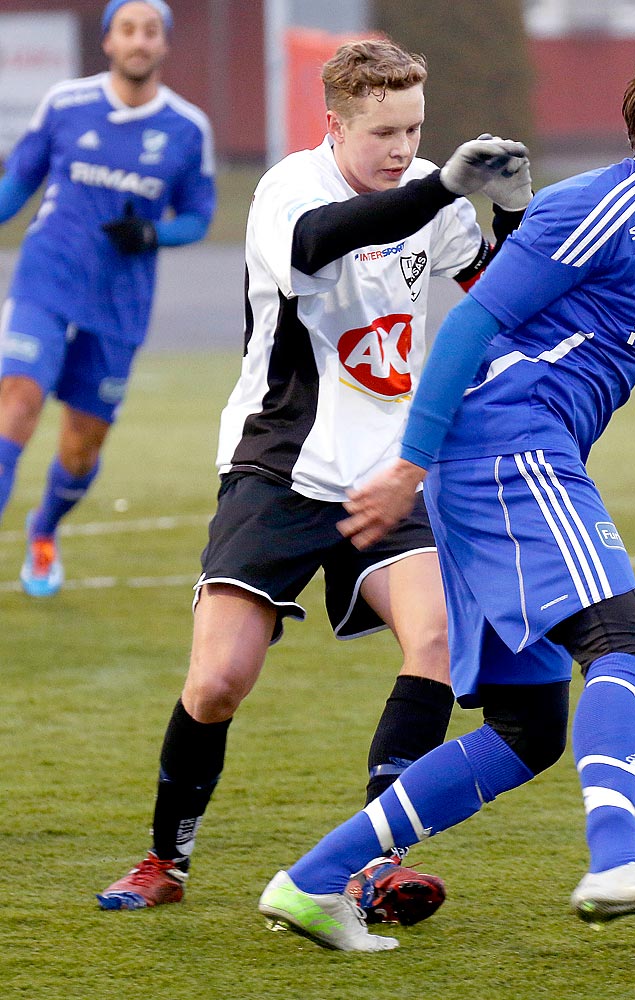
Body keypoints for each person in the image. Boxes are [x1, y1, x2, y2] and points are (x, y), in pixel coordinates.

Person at [253, 36, 635, 953]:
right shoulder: (600, 206)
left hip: (509, 457)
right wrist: (409, 463)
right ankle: (616, 860)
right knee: (624, 645)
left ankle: (311, 884)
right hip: (507, 447)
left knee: (528, 730)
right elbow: (472, 323)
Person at [96, 37, 533, 925]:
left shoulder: (433, 201)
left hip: (390, 470)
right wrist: (442, 189)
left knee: (438, 643)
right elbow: (322, 241)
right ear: (333, 124)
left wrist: (512, 224)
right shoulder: (291, 190)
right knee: (217, 681)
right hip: (281, 462)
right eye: (382, 131)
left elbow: (501, 295)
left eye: (413, 128)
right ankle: (164, 858)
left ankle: (370, 862)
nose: (403, 147)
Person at [0, 0, 215, 596]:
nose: (139, 41)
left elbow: (199, 217)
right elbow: (15, 185)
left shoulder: (187, 128)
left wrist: (154, 233)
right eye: (128, 30)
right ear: (108, 41)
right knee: (16, 401)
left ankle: (44, 529)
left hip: (119, 305)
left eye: (151, 31)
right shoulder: (66, 105)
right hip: (46, 280)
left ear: (163, 45)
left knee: (80, 445)